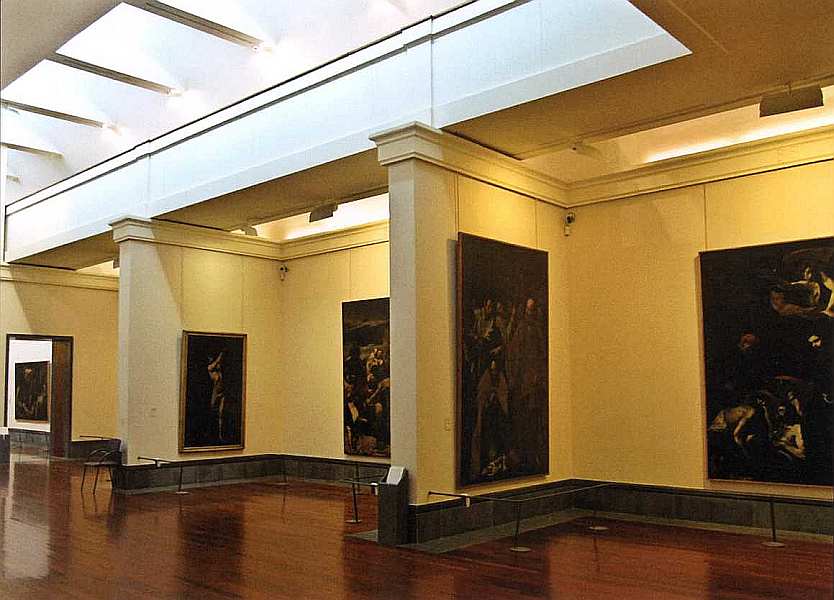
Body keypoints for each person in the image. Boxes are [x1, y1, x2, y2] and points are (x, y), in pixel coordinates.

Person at [207, 352, 226, 442]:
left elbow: (218, 363)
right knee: (212, 413)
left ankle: (220, 435)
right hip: (215, 393)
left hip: (222, 393)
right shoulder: (210, 368)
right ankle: (210, 433)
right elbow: (216, 362)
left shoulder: (219, 371)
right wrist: (220, 355)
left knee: (221, 414)